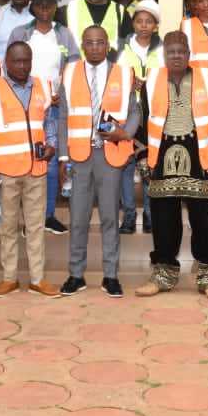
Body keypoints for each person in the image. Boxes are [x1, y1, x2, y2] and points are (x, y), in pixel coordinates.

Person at [135, 31, 208, 300]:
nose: (176, 55)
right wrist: (143, 162)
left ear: (188, 54)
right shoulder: (152, 81)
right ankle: (163, 277)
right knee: (164, 221)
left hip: (198, 160)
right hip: (160, 160)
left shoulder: (206, 79)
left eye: (181, 51)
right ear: (164, 55)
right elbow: (141, 122)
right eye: (171, 51)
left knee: (204, 222)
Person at [57, 25, 141, 298]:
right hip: (80, 157)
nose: (94, 47)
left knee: (108, 217)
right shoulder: (69, 72)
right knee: (78, 218)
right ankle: (75, 275)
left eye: (99, 43)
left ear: (107, 46)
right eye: (89, 43)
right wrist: (62, 156)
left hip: (111, 155)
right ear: (82, 45)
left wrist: (125, 133)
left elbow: (135, 110)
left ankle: (110, 276)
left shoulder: (124, 73)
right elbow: (62, 117)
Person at [0, 42, 61, 298]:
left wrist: (52, 145)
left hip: (36, 169)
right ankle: (9, 278)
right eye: (17, 61)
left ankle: (37, 279)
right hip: (5, 171)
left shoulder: (41, 86)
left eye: (26, 61)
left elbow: (49, 122)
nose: (22, 66)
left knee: (36, 226)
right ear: (6, 61)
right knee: (8, 227)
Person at [6, 0, 79, 235]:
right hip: (25, 107)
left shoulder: (64, 34)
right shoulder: (21, 32)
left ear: (55, 7)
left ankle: (46, 216)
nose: (44, 8)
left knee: (49, 162)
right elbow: (10, 66)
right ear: (32, 6)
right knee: (26, 162)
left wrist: (65, 93)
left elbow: (75, 67)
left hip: (55, 107)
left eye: (49, 4)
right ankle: (29, 219)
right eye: (40, 4)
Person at [118, 0, 163, 235]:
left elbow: (168, 78)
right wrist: (130, 82)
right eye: (139, 21)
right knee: (126, 164)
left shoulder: (163, 49)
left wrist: (149, 84)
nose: (144, 25)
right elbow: (113, 77)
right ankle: (128, 214)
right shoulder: (121, 48)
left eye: (149, 22)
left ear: (155, 25)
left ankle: (149, 213)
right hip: (126, 111)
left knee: (151, 163)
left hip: (154, 112)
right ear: (133, 23)